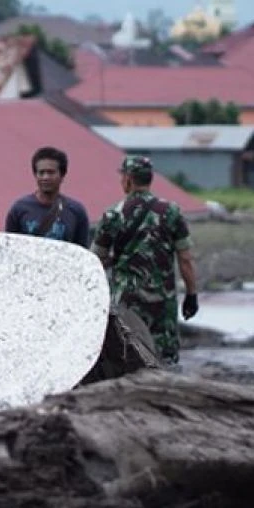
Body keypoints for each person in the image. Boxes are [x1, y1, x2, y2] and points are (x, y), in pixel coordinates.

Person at [92, 155, 199, 366]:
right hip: (162, 302)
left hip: (127, 302)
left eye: (122, 176)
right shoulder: (171, 212)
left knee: (128, 354)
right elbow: (185, 259)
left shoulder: (113, 215)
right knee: (165, 358)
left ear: (129, 180)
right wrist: (191, 294)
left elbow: (95, 260)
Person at [4, 146, 91, 247]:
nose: (45, 177)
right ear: (35, 175)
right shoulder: (19, 209)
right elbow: (9, 248)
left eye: (51, 172)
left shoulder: (76, 211)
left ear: (62, 175)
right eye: (41, 173)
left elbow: (82, 251)